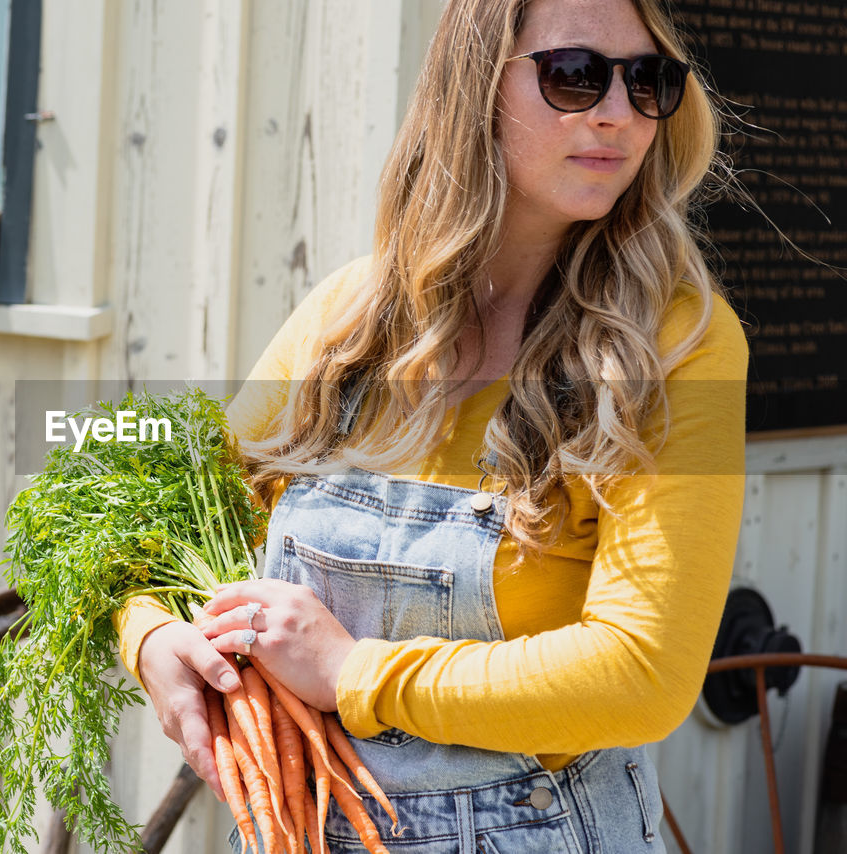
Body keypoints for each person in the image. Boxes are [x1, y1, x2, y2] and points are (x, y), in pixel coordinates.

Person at [115, 0, 747, 850]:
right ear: (472, 87)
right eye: (575, 75)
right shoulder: (350, 319)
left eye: (649, 81)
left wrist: (351, 673)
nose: (617, 112)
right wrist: (151, 636)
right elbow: (164, 512)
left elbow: (643, 674)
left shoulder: (677, 344)